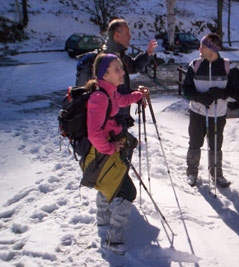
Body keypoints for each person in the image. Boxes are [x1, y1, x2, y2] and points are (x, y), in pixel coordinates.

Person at [95, 19, 157, 232]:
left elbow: (121, 93)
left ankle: (104, 216)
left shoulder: (118, 57)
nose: (131, 37)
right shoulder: (107, 61)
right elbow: (112, 99)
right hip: (109, 128)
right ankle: (110, 221)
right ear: (116, 36)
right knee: (113, 169)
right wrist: (133, 96)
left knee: (113, 167)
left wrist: (147, 54)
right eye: (127, 33)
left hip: (117, 123)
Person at [85, 53, 145, 253]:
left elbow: (123, 99)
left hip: (108, 151)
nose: (122, 72)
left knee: (108, 185)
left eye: (122, 67)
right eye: (117, 69)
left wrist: (139, 96)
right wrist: (110, 148)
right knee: (127, 191)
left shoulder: (110, 92)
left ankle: (103, 221)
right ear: (105, 74)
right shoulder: (99, 97)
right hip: (103, 154)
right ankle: (113, 240)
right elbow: (94, 133)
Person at [182, 33, 239, 188]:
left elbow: (237, 94)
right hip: (197, 113)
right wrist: (198, 97)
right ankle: (192, 172)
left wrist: (222, 94)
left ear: (212, 48)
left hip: (218, 114)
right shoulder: (194, 65)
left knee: (215, 145)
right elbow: (186, 90)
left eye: (202, 45)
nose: (199, 48)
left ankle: (216, 174)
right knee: (195, 143)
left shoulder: (228, 67)